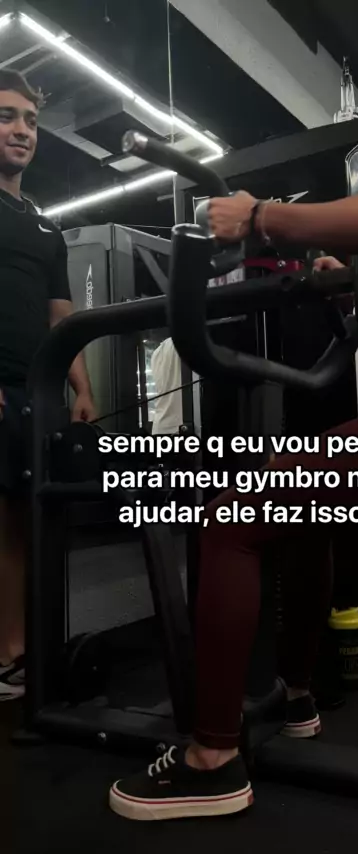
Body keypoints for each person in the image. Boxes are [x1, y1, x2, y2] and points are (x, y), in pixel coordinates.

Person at [110, 0, 358, 821]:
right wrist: (338, 274)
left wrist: (260, 216)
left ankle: (210, 758)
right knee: (309, 513)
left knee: (235, 513)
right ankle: (299, 695)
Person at [0, 70, 96, 701]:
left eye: (31, 121)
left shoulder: (44, 226)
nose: (22, 131)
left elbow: (62, 316)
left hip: (40, 394)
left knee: (36, 521)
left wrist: (81, 387)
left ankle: (27, 647)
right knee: (5, 526)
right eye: (7, 116)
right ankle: (8, 655)